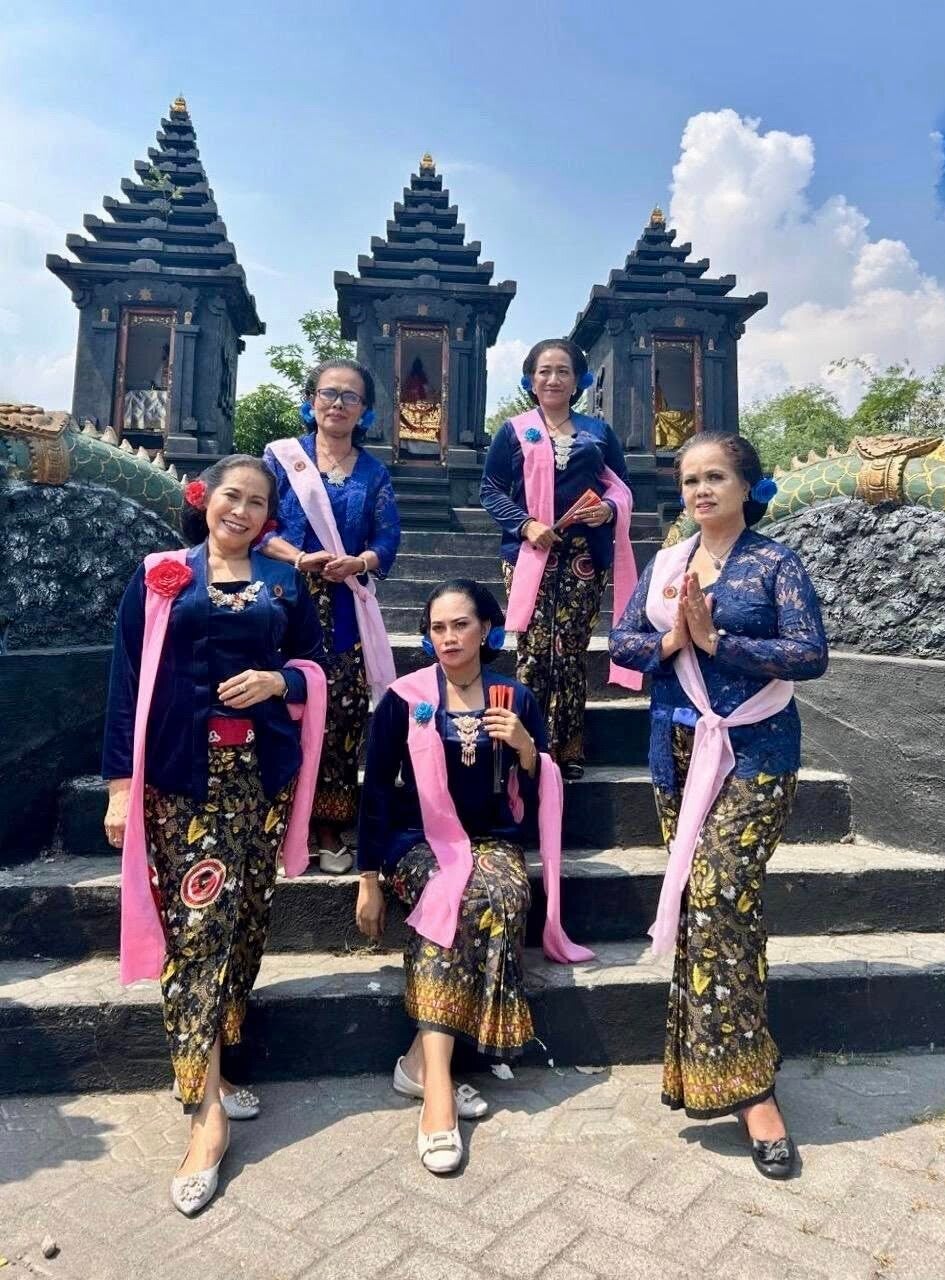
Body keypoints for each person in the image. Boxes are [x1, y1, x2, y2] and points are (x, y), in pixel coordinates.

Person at [102, 454, 327, 1214]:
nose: (242, 510)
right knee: (198, 933)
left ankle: (215, 1065)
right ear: (205, 499)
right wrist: (120, 787)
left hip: (260, 781)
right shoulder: (160, 574)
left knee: (246, 925)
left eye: (258, 502)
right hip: (181, 783)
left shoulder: (286, 584)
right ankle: (205, 1117)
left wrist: (279, 680)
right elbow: (125, 678)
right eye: (233, 495)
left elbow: (316, 666)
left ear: (270, 518)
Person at [609, 431, 828, 1179]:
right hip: (674, 753)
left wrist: (718, 640)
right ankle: (710, 1068)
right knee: (717, 910)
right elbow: (623, 642)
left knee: (716, 892)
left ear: (745, 487)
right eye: (691, 480)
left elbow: (811, 653)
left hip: (757, 752)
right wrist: (674, 639)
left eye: (715, 478)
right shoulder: (668, 563)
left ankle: (753, 1092)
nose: (701, 491)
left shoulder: (775, 563)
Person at [355, 579, 592, 1174]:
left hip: (491, 840)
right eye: (437, 627)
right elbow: (376, 790)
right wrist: (368, 878)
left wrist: (528, 750)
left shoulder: (515, 697)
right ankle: (438, 1091)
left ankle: (418, 1062)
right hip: (419, 841)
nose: (449, 637)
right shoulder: (406, 698)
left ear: (486, 628)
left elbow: (540, 792)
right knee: (451, 894)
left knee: (503, 891)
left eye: (461, 624)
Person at [262, 358, 400, 873]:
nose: (338, 404)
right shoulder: (280, 459)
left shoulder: (374, 472)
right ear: (311, 400)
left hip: (345, 609)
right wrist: (299, 558)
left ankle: (328, 825)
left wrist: (359, 563)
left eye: (350, 397)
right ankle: (279, 821)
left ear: (365, 411)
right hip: (283, 602)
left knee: (341, 715)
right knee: (282, 708)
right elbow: (258, 526)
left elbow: (388, 538)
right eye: (329, 393)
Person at [480, 338, 641, 781]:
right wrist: (526, 524)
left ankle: (568, 747)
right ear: (531, 381)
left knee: (570, 649)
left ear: (578, 381)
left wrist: (608, 509)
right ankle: (527, 742)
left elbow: (623, 488)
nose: (553, 379)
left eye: (563, 371)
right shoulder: (513, 431)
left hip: (583, 557)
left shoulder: (598, 432)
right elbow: (490, 490)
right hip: (530, 552)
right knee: (534, 648)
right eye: (544, 371)